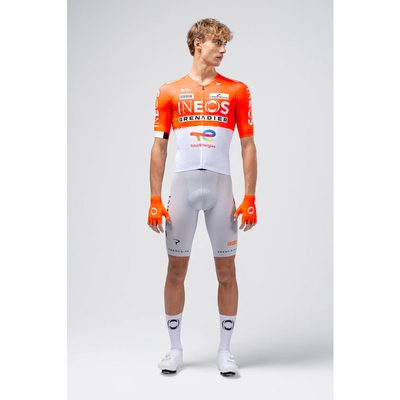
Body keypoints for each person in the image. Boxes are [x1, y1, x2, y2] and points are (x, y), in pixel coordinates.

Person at [147, 18, 258, 377]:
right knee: (176, 270)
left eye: (225, 44)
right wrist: (154, 198)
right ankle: (175, 349)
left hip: (220, 188)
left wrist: (250, 196)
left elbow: (247, 145)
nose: (223, 49)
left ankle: (225, 351)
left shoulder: (237, 90)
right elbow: (159, 147)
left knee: (226, 271)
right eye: (217, 43)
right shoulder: (169, 90)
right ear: (198, 44)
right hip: (182, 187)